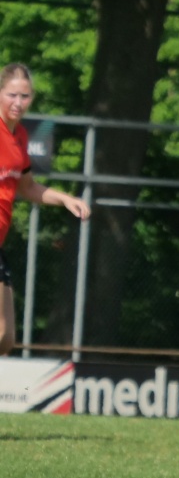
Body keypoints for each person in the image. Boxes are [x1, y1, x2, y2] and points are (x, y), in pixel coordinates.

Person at [0, 64, 91, 355]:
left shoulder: (20, 136)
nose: (18, 103)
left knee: (5, 338)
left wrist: (65, 199)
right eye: (12, 95)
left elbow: (27, 187)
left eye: (24, 96)